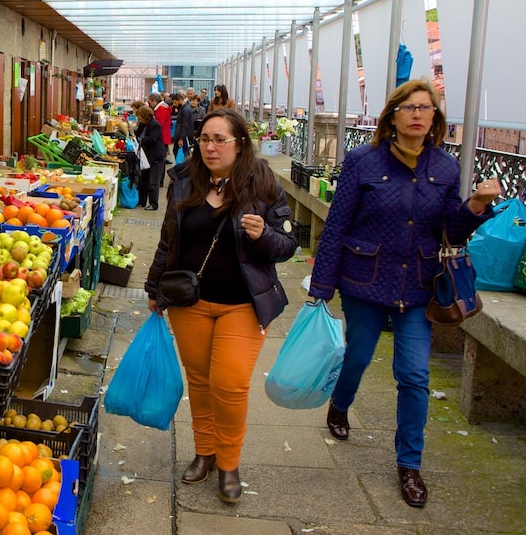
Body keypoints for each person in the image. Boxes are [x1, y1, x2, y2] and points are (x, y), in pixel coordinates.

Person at [309, 80, 500, 508]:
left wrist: (474, 206)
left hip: (417, 284)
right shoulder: (363, 161)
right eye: (409, 107)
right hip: (365, 280)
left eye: (425, 108)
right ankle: (340, 403)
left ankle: (409, 465)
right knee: (357, 357)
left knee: (414, 376)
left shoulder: (446, 167)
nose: (417, 114)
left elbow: (449, 231)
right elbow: (337, 226)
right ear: (392, 115)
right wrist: (321, 287)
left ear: (435, 118)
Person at [145, 108, 297, 504]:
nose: (210, 148)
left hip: (242, 304)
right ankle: (205, 451)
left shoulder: (263, 183)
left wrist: (263, 236)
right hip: (190, 302)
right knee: (199, 380)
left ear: (240, 143)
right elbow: (168, 240)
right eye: (204, 139)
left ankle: (229, 463)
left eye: (219, 140)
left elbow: (287, 246)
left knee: (229, 383)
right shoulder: (183, 179)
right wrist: (154, 286)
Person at [135, 106, 167, 210]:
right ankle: (142, 201)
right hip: (145, 156)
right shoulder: (142, 124)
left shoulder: (155, 125)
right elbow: (137, 134)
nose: (140, 120)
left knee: (153, 181)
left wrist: (140, 140)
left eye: (141, 118)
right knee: (143, 179)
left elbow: (153, 139)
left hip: (155, 155)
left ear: (146, 116)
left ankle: (153, 203)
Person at [175, 94, 196, 161]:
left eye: (175, 102)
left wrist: (181, 138)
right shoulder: (184, 108)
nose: (175, 104)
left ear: (180, 100)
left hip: (184, 136)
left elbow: (185, 125)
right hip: (184, 135)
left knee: (184, 153)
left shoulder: (185, 110)